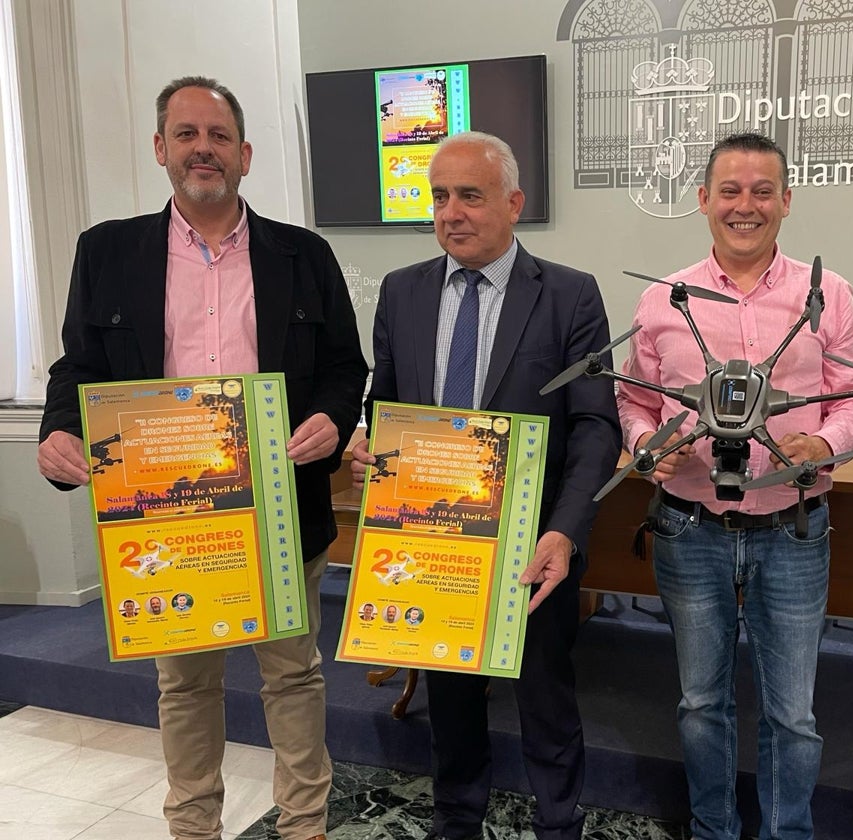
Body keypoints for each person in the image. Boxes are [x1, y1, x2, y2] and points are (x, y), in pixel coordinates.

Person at [37, 76, 367, 840]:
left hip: (283, 507)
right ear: (161, 148)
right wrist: (60, 431)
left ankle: (304, 827)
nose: (203, 149)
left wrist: (329, 415)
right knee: (185, 688)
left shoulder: (304, 254)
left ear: (245, 155)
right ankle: (194, 828)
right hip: (166, 519)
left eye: (218, 136)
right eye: (186, 134)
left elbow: (344, 368)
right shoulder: (108, 252)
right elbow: (77, 368)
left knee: (293, 677)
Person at [350, 131, 620, 840]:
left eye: (470, 195)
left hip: (535, 545)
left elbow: (596, 427)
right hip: (436, 541)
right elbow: (388, 408)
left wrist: (565, 532)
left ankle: (560, 823)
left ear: (513, 202)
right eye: (439, 196)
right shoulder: (403, 292)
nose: (451, 212)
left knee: (546, 699)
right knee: (452, 697)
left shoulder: (568, 295)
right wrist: (369, 449)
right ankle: (456, 818)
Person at [617, 132, 853, 840]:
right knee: (701, 703)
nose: (745, 205)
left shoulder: (829, 295)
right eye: (730, 190)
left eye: (763, 191)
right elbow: (634, 402)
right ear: (702, 199)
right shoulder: (663, 300)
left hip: (793, 529)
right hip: (687, 527)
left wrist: (822, 441)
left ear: (786, 201)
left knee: (794, 714)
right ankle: (713, 830)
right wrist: (646, 446)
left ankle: (788, 832)